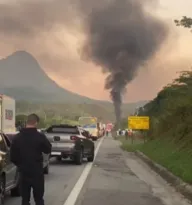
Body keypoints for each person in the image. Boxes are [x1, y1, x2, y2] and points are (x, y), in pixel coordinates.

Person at [10, 113, 52, 205]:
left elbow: (12, 157)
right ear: (36, 123)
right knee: (39, 199)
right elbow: (48, 149)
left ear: (26, 122)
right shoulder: (40, 136)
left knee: (25, 199)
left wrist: (21, 165)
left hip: (23, 172)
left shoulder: (17, 138)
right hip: (37, 171)